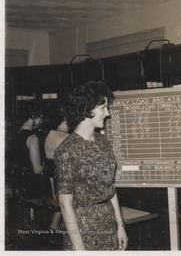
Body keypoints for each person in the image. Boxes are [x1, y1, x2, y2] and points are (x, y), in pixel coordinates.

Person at [54, 81, 128, 250]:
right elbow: (65, 205)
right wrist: (80, 250)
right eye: (103, 108)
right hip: (82, 229)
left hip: (108, 225)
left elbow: (109, 188)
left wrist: (120, 226)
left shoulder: (103, 142)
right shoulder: (67, 150)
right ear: (87, 109)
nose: (107, 113)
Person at [44, 104, 69, 237]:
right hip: (63, 188)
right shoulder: (65, 139)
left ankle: (54, 227)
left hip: (53, 186)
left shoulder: (50, 135)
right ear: (66, 118)